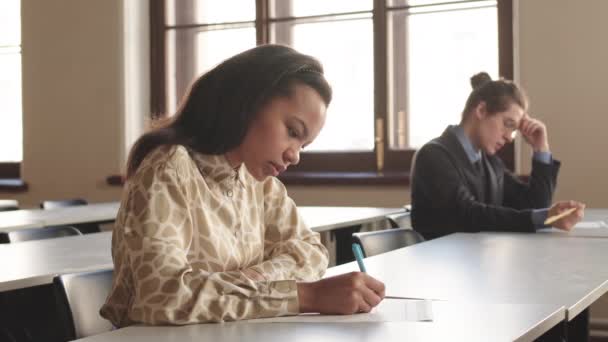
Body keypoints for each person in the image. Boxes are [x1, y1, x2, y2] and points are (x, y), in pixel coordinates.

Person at [100, 45, 385, 327]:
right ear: (248, 101)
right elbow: (162, 297)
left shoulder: (257, 181)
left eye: (303, 145)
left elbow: (310, 253)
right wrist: (304, 295)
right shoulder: (169, 167)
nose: (294, 155)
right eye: (292, 132)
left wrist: (245, 283)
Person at [410, 72, 585, 240]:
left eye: (514, 129)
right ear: (481, 110)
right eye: (508, 124)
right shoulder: (433, 156)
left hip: (476, 264)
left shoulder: (490, 163)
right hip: (441, 266)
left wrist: (541, 148)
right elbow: (467, 214)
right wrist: (543, 217)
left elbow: (535, 206)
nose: (510, 137)